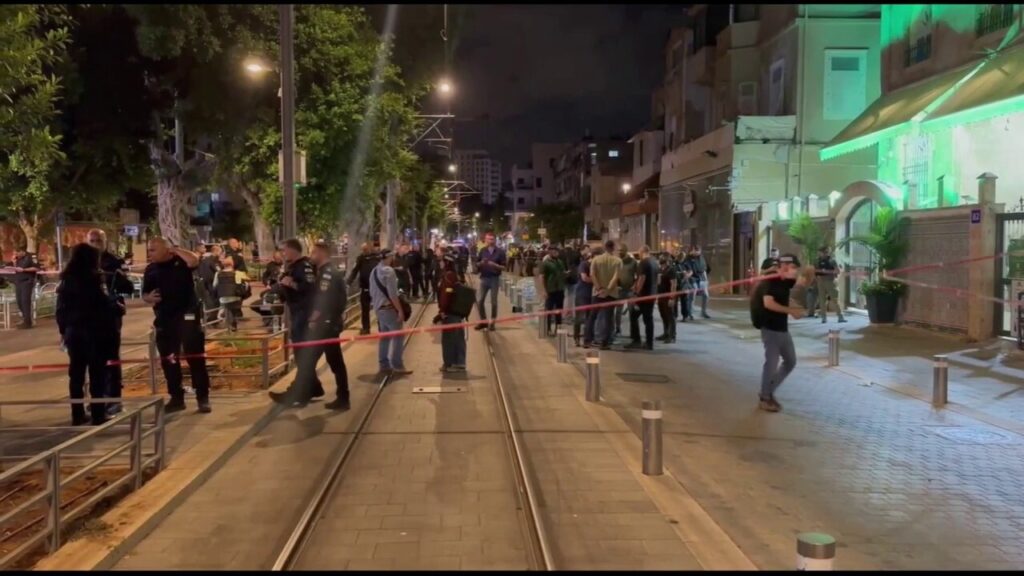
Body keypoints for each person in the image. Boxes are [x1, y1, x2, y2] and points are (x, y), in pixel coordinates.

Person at [271, 242, 350, 410]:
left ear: (321, 253)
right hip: (329, 324)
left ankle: (300, 394)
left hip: (326, 325)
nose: (311, 255)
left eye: (313, 252)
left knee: (317, 361)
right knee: (324, 361)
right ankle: (328, 394)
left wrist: (313, 320)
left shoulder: (327, 273)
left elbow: (324, 300)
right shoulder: (324, 271)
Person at [142, 237, 211, 414]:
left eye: (153, 250)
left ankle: (202, 397)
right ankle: (176, 397)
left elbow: (194, 260)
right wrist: (149, 298)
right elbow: (145, 294)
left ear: (167, 250)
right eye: (149, 250)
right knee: (169, 360)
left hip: (187, 314)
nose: (149, 253)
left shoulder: (181, 261)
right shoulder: (150, 269)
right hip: (164, 317)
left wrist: (176, 249)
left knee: (194, 356)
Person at [56, 243, 119, 426]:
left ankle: (77, 415)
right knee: (96, 374)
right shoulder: (93, 279)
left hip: (73, 333)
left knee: (76, 375)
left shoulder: (66, 280)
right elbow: (102, 306)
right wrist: (115, 307)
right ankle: (98, 414)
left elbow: (60, 310)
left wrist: (63, 331)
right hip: (93, 333)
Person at [86, 229, 134, 416]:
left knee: (111, 357)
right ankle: (98, 399)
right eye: (92, 240)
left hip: (110, 314)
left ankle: (114, 398)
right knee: (93, 359)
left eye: (99, 240)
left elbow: (126, 287)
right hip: (89, 316)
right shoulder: (82, 261)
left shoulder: (114, 262)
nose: (95, 243)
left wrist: (116, 278)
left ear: (105, 241)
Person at [750, 253, 806, 412]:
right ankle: (765, 397)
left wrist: (794, 308)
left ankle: (767, 391)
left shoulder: (784, 282)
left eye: (795, 268)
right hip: (770, 328)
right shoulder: (771, 281)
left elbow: (784, 297)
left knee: (790, 361)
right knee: (771, 363)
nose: (794, 271)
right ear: (783, 266)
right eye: (792, 268)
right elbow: (768, 303)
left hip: (782, 328)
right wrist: (790, 310)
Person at [275, 238, 323, 397]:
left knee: (301, 353)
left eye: (285, 250)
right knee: (301, 353)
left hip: (303, 313)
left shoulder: (304, 266)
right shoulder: (293, 266)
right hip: (296, 312)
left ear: (293, 250)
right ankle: (314, 387)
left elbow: (309, 289)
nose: (283, 253)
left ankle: (299, 392)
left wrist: (291, 284)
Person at [370, 249, 412, 376]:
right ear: (389, 257)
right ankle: (397, 365)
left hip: (379, 309)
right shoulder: (389, 271)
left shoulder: (374, 271)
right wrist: (400, 311)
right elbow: (393, 294)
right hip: (389, 309)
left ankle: (384, 364)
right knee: (398, 337)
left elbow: (373, 292)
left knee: (384, 337)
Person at [590, 240, 622, 350]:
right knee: (608, 319)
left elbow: (592, 275)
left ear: (605, 247)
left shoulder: (596, 259)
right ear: (613, 248)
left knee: (592, 316)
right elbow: (616, 277)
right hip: (611, 294)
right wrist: (607, 290)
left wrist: (599, 288)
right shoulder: (617, 261)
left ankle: (588, 339)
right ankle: (605, 342)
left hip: (597, 293)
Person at [437, 254, 467, 372]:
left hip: (450, 312)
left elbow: (446, 294)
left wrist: (442, 311)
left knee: (449, 338)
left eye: (442, 261)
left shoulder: (448, 276)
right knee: (458, 337)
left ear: (447, 262)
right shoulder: (455, 275)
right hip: (456, 311)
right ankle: (460, 362)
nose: (440, 263)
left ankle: (450, 363)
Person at [626, 245, 657, 350]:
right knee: (649, 319)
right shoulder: (654, 262)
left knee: (633, 316)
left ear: (642, 252)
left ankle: (636, 340)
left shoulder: (643, 263)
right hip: (652, 294)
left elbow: (641, 279)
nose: (638, 255)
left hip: (643, 296)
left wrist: (636, 293)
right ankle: (649, 343)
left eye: (639, 253)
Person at [474, 232, 507, 331]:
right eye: (488, 239)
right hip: (484, 278)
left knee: (494, 302)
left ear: (495, 240)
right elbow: (477, 264)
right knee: (480, 301)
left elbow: (504, 267)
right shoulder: (482, 250)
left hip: (494, 279)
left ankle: (492, 322)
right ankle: (484, 321)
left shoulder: (500, 252)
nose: (490, 241)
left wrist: (495, 265)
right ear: (485, 240)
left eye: (492, 239)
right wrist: (481, 263)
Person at [346, 243, 379, 336]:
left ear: (369, 249)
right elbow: (355, 271)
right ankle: (366, 328)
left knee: (379, 307)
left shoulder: (376, 258)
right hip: (364, 287)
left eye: (366, 249)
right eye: (363, 250)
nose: (364, 251)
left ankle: (382, 327)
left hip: (376, 287)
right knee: (365, 309)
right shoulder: (360, 259)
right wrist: (348, 282)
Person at [214, 255, 249, 331]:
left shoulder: (218, 274)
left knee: (227, 310)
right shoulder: (238, 273)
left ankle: (229, 327)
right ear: (232, 264)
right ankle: (232, 327)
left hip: (223, 298)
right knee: (234, 312)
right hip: (236, 297)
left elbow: (215, 285)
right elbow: (246, 285)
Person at [9, 246, 39, 329]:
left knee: (25, 301)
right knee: (19, 301)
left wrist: (24, 270)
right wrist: (14, 262)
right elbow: (16, 269)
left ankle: (27, 322)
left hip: (27, 281)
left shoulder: (31, 257)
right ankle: (25, 318)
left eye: (17, 253)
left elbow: (36, 268)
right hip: (19, 281)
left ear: (22, 251)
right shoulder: (17, 258)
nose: (15, 255)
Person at [539, 245, 567, 336]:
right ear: (549, 252)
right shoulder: (546, 263)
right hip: (550, 289)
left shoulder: (560, 262)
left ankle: (558, 328)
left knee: (559, 310)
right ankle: (548, 328)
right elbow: (542, 277)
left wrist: (566, 274)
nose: (556, 252)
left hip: (560, 289)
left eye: (556, 251)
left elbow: (562, 273)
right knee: (549, 310)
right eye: (553, 251)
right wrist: (544, 290)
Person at [815, 246, 847, 324]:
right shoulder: (819, 261)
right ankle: (827, 318)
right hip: (824, 282)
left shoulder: (830, 261)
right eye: (821, 252)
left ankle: (836, 317)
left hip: (828, 281)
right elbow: (815, 272)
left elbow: (837, 271)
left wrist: (826, 272)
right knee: (825, 300)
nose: (822, 254)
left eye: (823, 252)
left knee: (832, 300)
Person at [573, 245, 595, 347]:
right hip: (582, 294)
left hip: (592, 294)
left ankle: (588, 339)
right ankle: (576, 337)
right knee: (580, 317)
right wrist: (598, 282)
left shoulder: (596, 265)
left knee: (589, 318)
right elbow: (584, 278)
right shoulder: (584, 264)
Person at [615, 244, 638, 340]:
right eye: (618, 250)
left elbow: (638, 276)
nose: (619, 252)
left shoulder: (633, 262)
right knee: (618, 311)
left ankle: (633, 332)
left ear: (626, 251)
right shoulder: (616, 262)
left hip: (630, 291)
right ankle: (618, 329)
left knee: (632, 312)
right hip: (620, 290)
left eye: (621, 250)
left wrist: (634, 286)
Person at [685, 245, 711, 319]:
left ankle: (703, 312)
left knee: (706, 295)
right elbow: (688, 269)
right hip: (693, 278)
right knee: (692, 295)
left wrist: (706, 279)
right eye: (695, 250)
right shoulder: (689, 258)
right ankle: (690, 313)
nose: (696, 252)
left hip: (702, 278)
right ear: (692, 250)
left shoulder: (702, 258)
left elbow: (706, 268)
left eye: (698, 250)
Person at [656, 256, 678, 344]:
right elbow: (658, 283)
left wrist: (672, 298)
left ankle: (672, 336)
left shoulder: (671, 270)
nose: (661, 262)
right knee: (664, 316)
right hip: (661, 296)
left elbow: (674, 284)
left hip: (668, 296)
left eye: (662, 260)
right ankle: (666, 333)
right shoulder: (660, 270)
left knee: (670, 317)